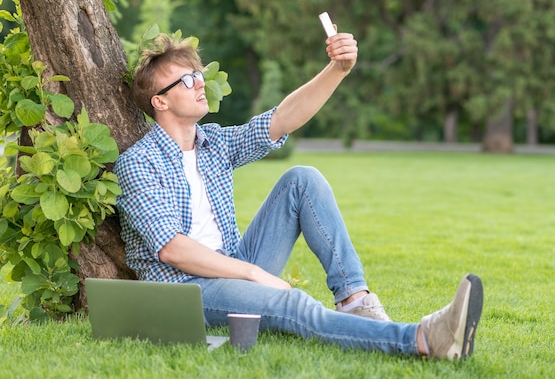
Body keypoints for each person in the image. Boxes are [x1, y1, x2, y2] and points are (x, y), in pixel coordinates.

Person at [113, 28, 483, 360]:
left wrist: (338, 69)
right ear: (160, 102)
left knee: (302, 179)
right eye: (185, 81)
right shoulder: (138, 163)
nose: (198, 84)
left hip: (232, 262)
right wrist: (255, 275)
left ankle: (355, 301)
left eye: (197, 76)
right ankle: (422, 339)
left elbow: (282, 118)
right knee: (291, 304)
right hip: (186, 289)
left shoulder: (214, 144)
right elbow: (173, 249)